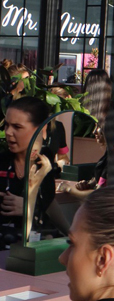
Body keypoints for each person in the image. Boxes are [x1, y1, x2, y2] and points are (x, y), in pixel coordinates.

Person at [0, 98, 69, 252]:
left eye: (17, 127)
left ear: (41, 130)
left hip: (35, 250)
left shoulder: (45, 161)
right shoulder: (2, 161)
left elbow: (49, 201)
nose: (8, 132)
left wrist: (71, 233)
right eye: (6, 125)